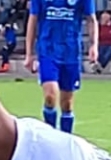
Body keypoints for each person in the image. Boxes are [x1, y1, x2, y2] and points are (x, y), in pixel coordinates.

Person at [26, 0, 96, 130]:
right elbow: (33, 20)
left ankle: (66, 137)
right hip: (47, 50)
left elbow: (91, 19)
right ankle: (50, 135)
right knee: (50, 95)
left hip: (71, 52)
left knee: (67, 104)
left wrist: (94, 45)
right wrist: (29, 54)